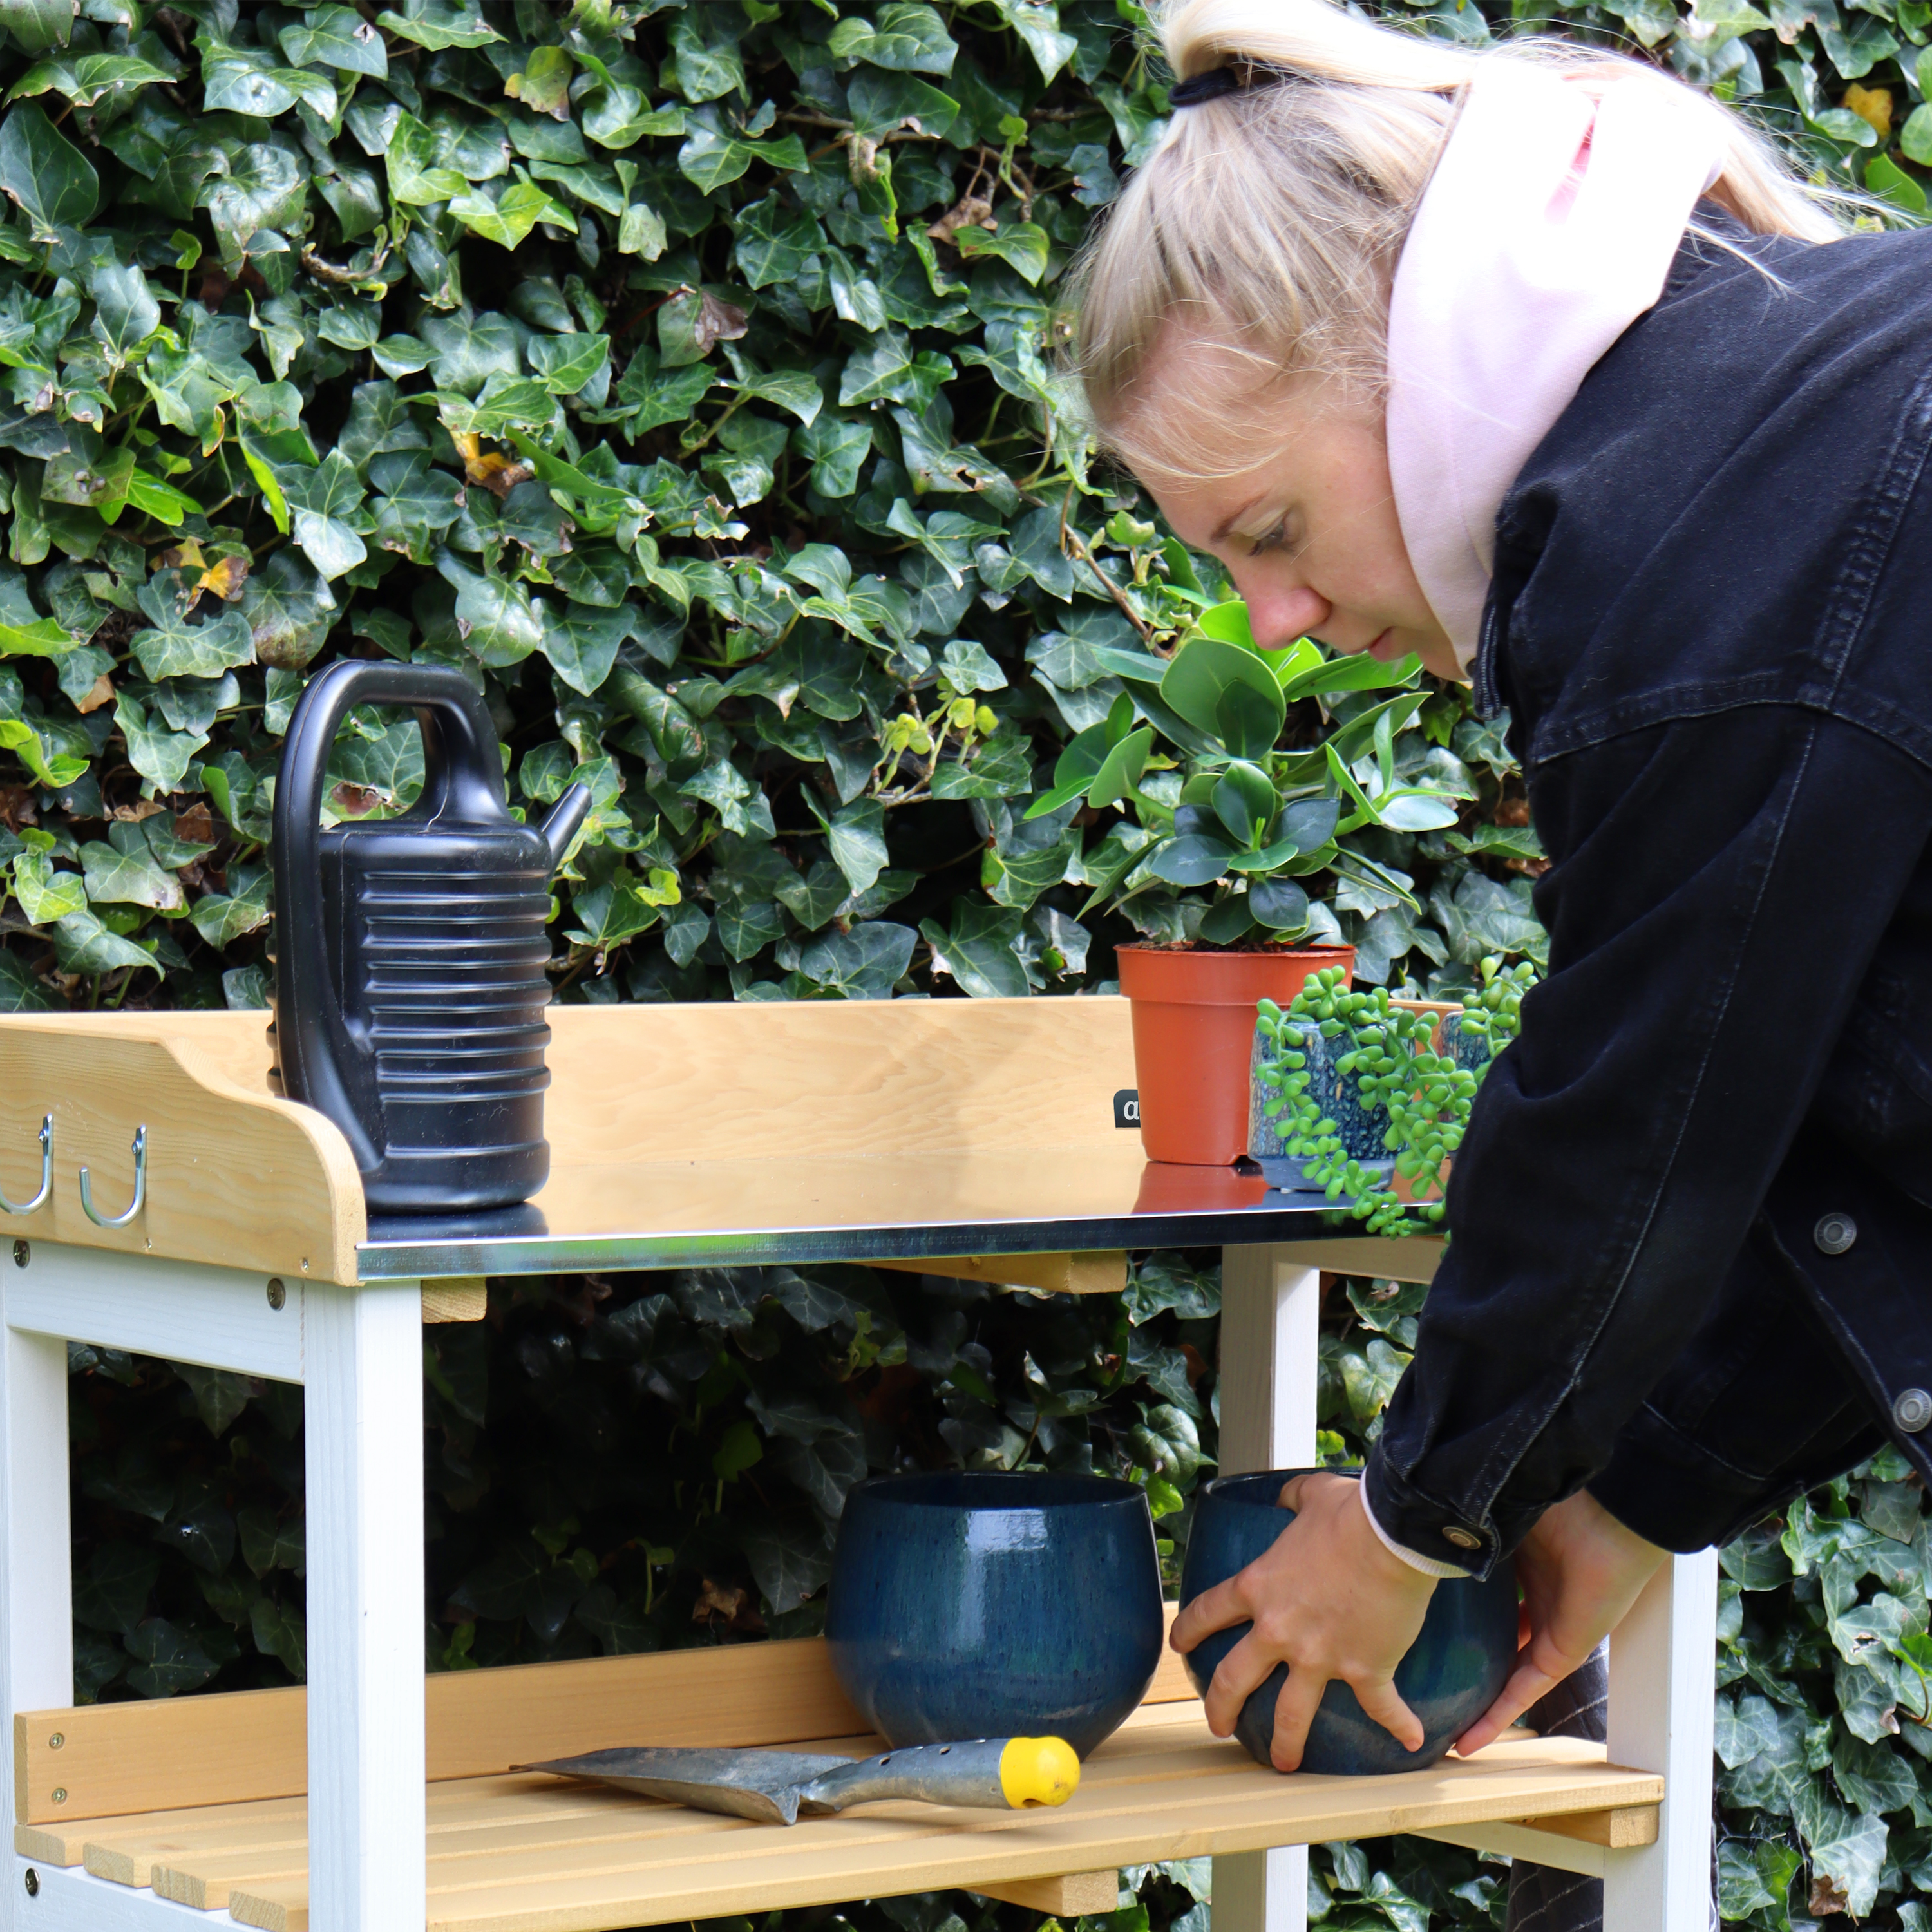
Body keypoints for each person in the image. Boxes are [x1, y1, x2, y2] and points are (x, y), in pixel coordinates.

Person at [1072, 0, 1932, 1828]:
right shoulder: (1781, 425)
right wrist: (1634, 1495)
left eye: (1269, 532)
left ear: (1403, 350)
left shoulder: (1692, 554)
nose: (1277, 625)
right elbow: (1818, 1094)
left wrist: (1409, 1523)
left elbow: (1639, 1108)